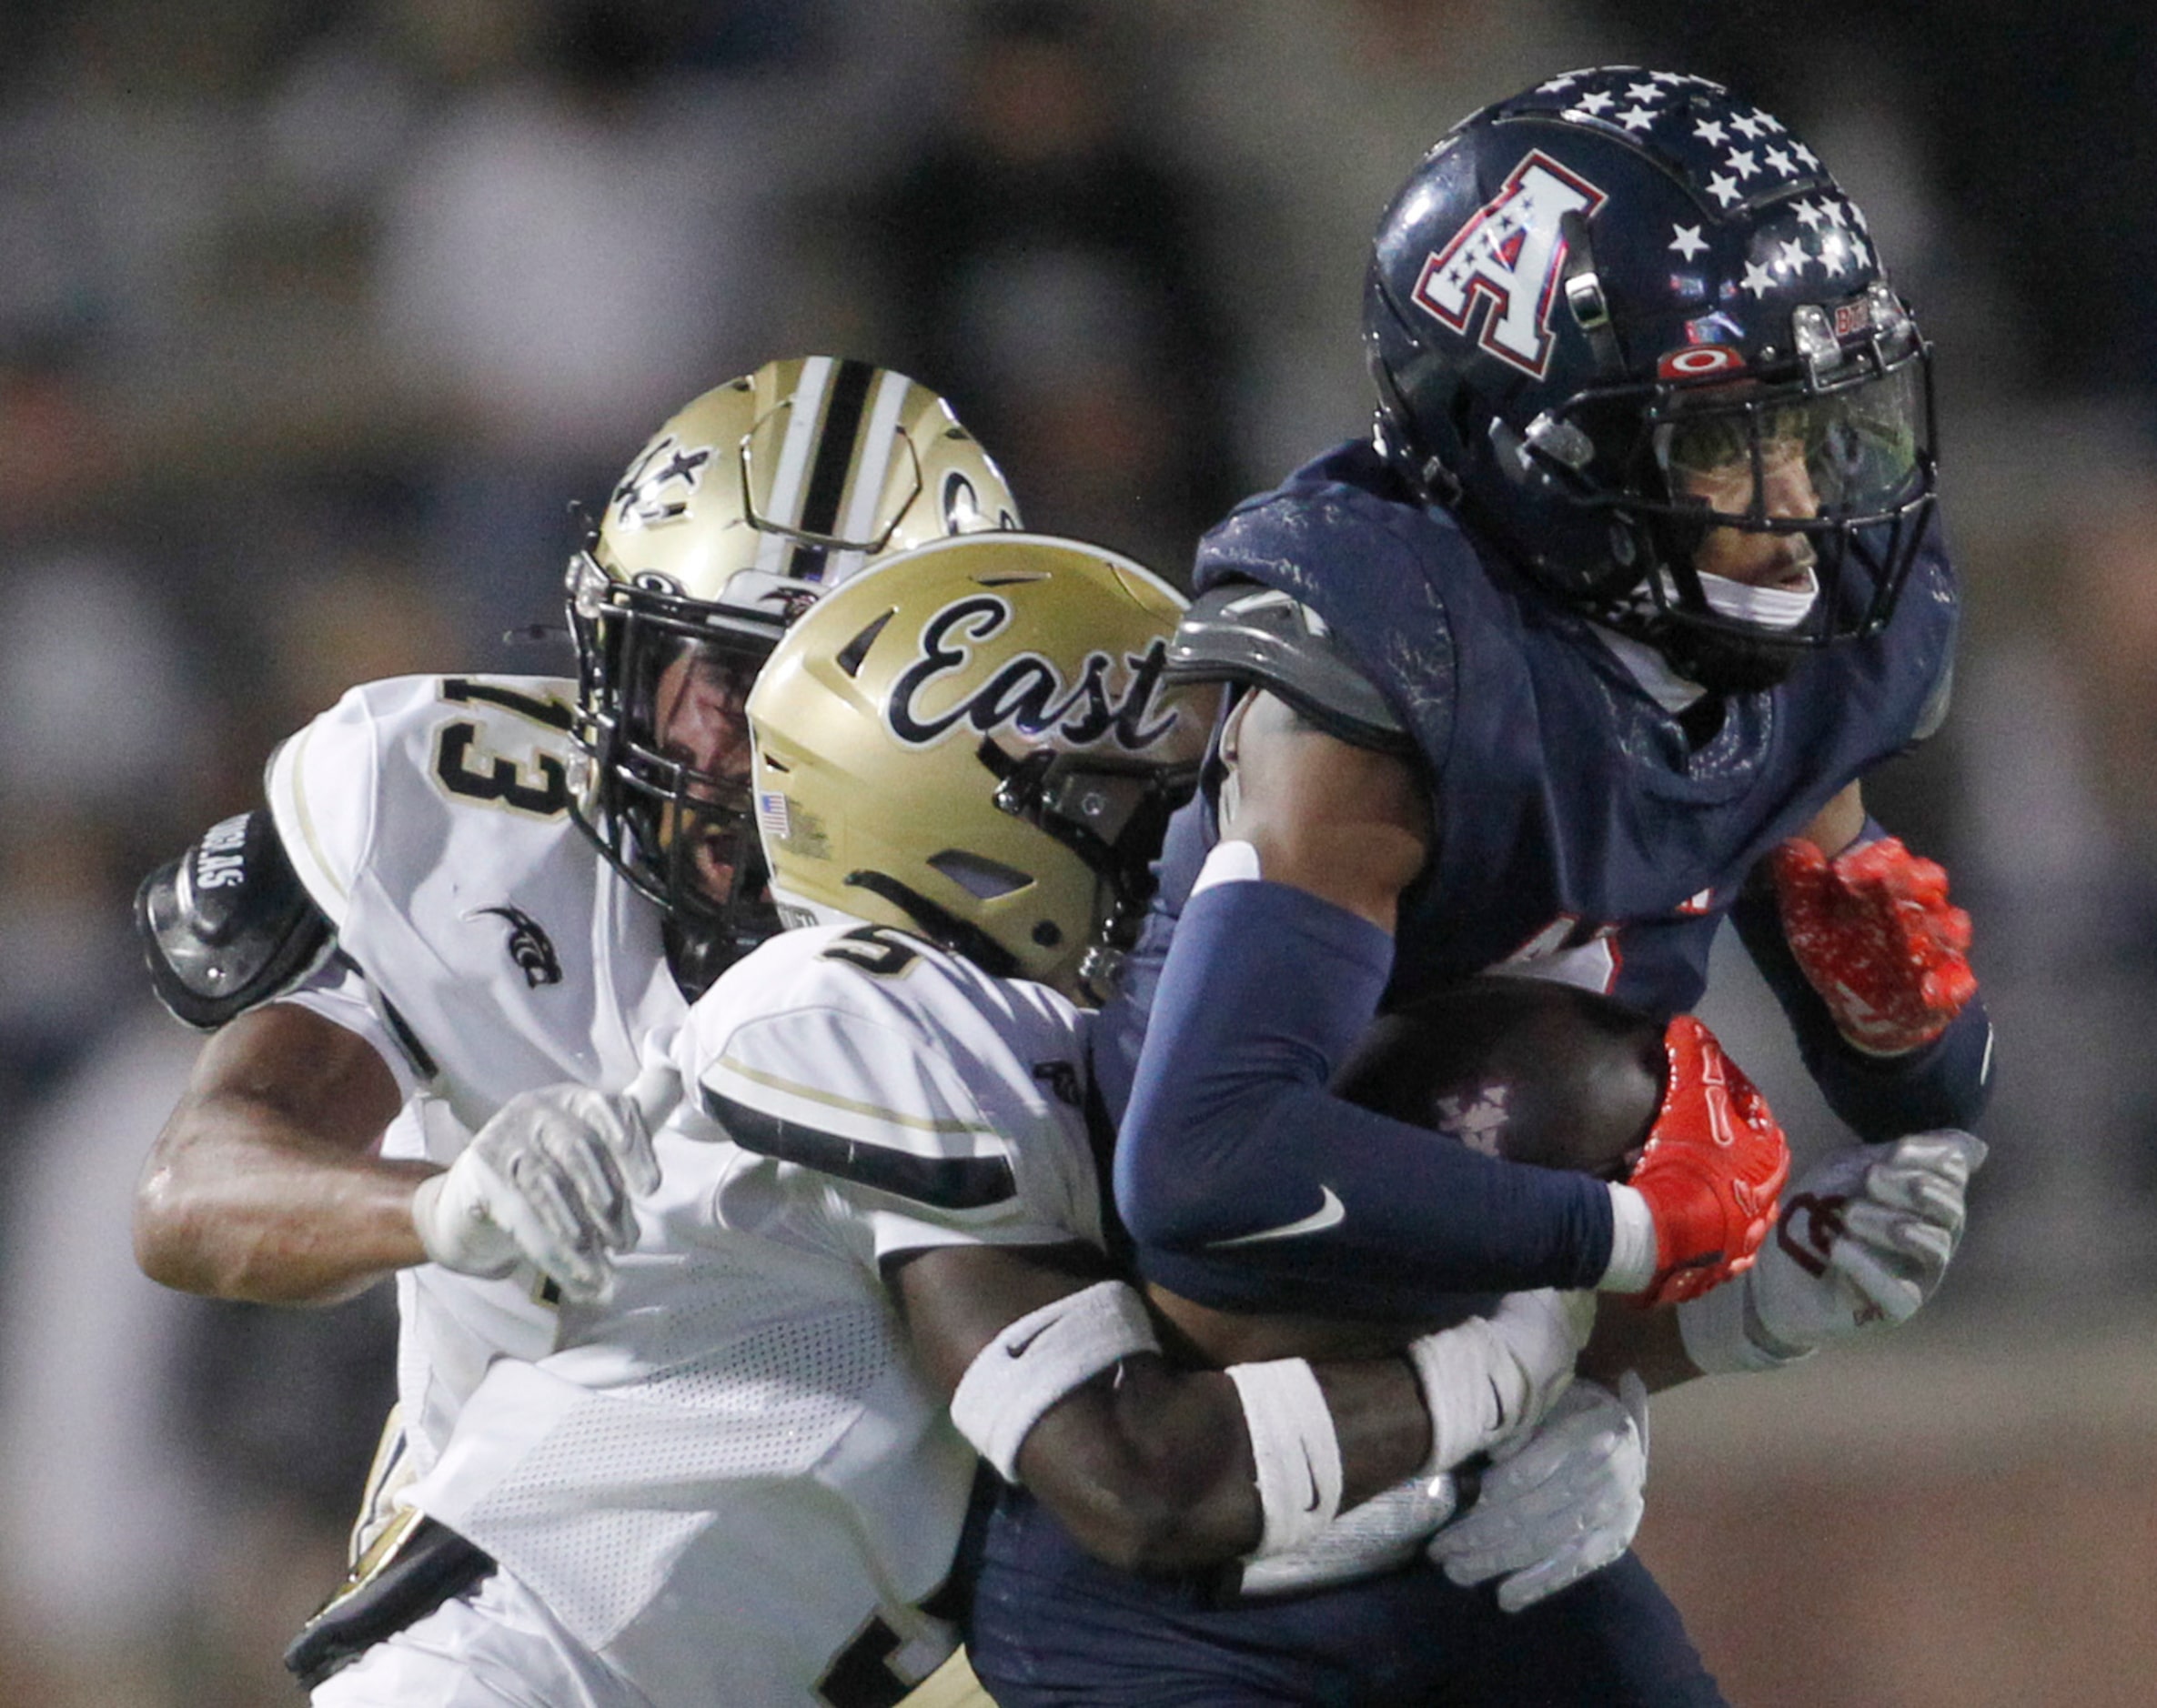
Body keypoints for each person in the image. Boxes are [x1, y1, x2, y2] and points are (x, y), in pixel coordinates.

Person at [967, 67, 1994, 1703]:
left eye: (1814, 428)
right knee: (1565, 1074)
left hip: (1471, 1491)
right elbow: (1209, 1164)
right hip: (1195, 1510)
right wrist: (1640, 1242)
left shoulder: (1796, 639)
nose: (1802, 500)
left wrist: (1904, 1017)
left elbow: (1924, 1087)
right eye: (1734, 439)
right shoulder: (1388, 661)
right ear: (1541, 448)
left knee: (1575, 1075)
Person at [297, 533, 1627, 1705]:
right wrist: (1513, 1355)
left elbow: (1249, 1356)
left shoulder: (1037, 1069)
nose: (1183, 862)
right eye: (1142, 812)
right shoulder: (847, 1010)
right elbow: (1144, 1474)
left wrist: (1586, 1394)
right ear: (964, 820)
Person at [128, 356, 1023, 1681]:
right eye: (697, 671)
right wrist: (439, 1205)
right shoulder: (466, 826)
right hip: (533, 1601)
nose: (721, 743)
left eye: (795, 688)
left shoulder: (1040, 919)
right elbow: (191, 1194)